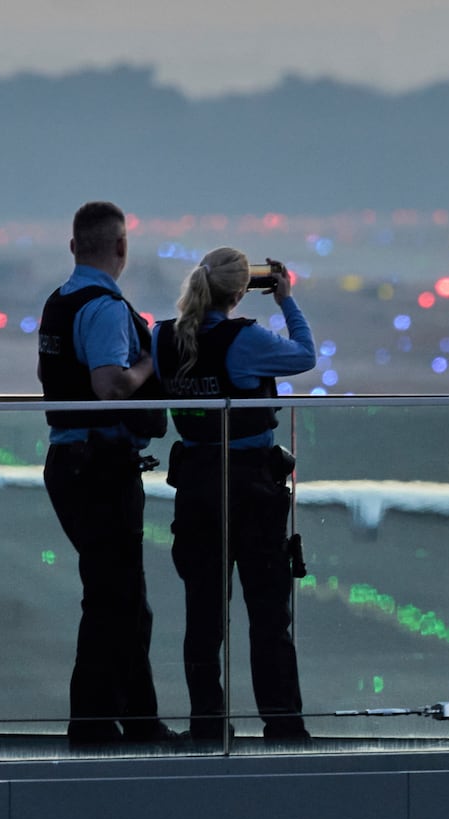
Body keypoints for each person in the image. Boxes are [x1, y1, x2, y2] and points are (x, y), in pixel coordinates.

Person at [153, 247, 316, 743]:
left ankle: (206, 722)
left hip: (197, 483)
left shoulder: (163, 337)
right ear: (242, 290)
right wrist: (287, 300)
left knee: (203, 614)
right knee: (268, 614)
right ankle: (282, 723)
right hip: (250, 486)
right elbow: (304, 356)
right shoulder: (244, 339)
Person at [38, 200, 176, 746]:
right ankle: (95, 726)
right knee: (113, 601)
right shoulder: (106, 308)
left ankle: (134, 720)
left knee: (119, 598)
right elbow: (109, 385)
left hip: (69, 463)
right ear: (121, 248)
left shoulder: (59, 303)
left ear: (74, 247)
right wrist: (152, 361)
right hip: (100, 467)